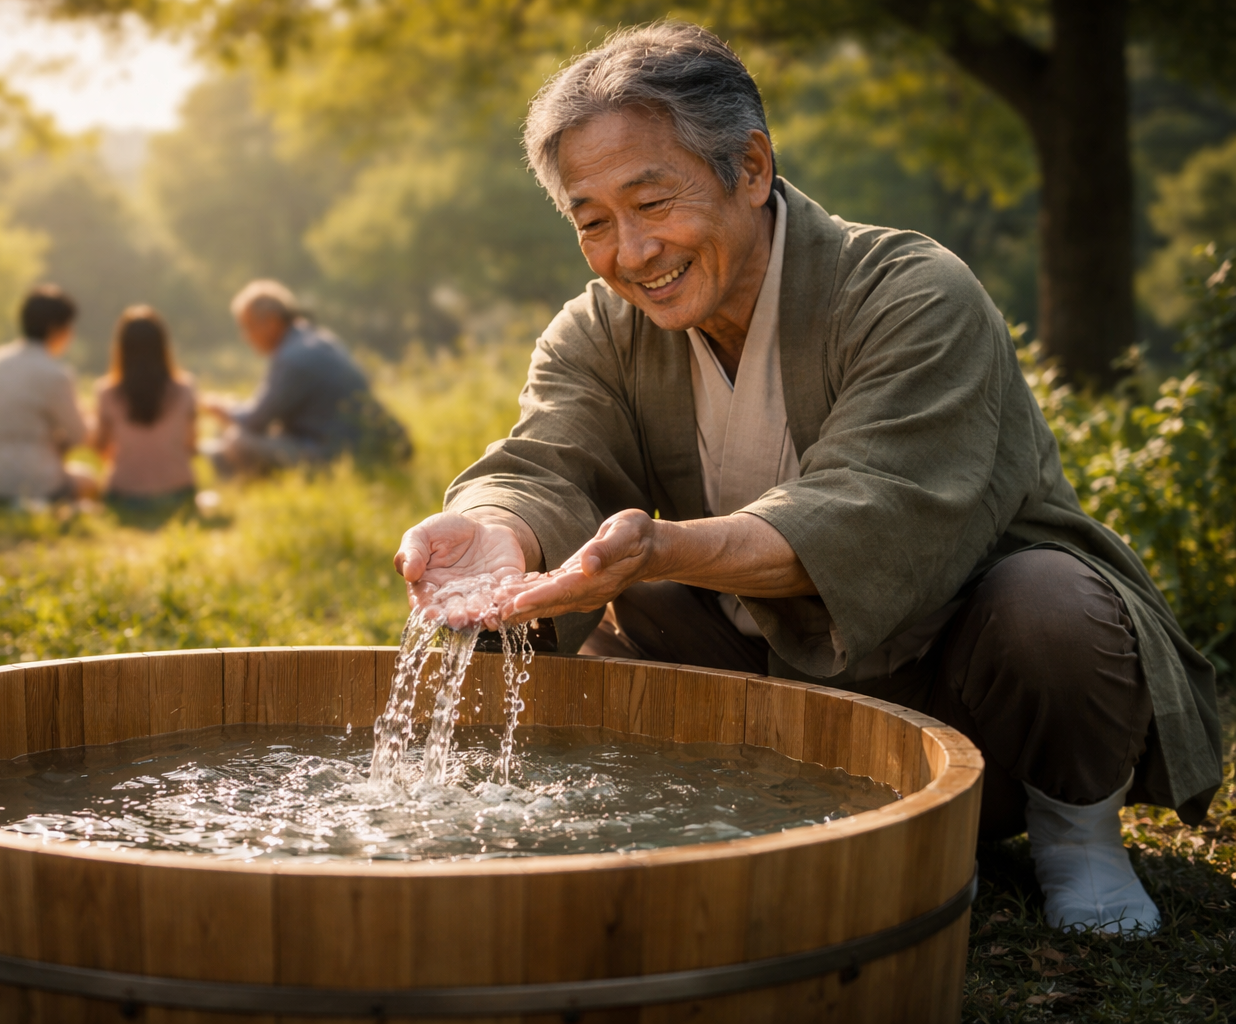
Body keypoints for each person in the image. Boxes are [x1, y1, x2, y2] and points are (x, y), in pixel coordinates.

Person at [393, 22, 1222, 936]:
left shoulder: (909, 290)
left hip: (967, 688)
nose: (631, 252)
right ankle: (735, 810)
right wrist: (497, 527)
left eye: (652, 201)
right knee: (565, 603)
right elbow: (549, 458)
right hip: (765, 671)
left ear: (749, 169)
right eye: (594, 222)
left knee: (1050, 601)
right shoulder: (597, 332)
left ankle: (1076, 834)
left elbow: (876, 507)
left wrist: (666, 547)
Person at [203, 280, 410, 477]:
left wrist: (223, 407)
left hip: (337, 454)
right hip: (369, 445)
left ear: (272, 322)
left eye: (248, 327)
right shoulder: (317, 339)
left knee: (237, 439)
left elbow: (255, 420)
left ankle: (231, 482)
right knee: (243, 435)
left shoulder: (291, 358)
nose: (245, 336)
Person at [0, 285, 97, 504]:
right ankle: (41, 505)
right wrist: (89, 420)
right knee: (88, 481)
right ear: (56, 328)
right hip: (32, 480)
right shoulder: (56, 374)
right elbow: (80, 436)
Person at [92, 306, 198, 505]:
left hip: (123, 493)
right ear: (163, 347)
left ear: (121, 348)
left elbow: (101, 448)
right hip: (179, 491)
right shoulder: (186, 389)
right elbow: (191, 446)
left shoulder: (106, 392)